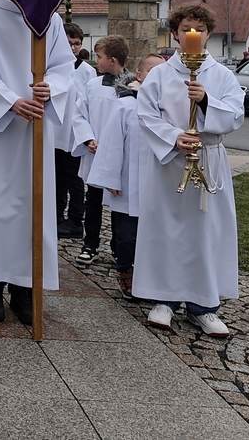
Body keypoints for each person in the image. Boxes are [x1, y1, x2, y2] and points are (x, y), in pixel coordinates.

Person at [0, 0, 76, 325]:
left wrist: (50, 87)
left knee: (32, 208)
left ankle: (25, 287)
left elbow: (63, 66)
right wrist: (11, 102)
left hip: (36, 124)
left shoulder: (49, 19)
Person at [134, 4, 245, 337]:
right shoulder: (160, 75)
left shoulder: (222, 76)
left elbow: (236, 114)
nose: (192, 34)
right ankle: (164, 300)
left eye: (199, 29)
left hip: (208, 158)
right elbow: (146, 115)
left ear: (209, 34)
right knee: (166, 230)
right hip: (170, 162)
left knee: (205, 232)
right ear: (175, 34)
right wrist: (174, 137)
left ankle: (204, 306)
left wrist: (207, 100)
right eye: (185, 29)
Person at [88, 53, 165, 298]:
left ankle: (152, 278)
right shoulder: (126, 105)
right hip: (128, 182)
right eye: (151, 71)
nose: (157, 76)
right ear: (139, 75)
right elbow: (112, 142)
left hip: (159, 183)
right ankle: (126, 271)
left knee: (154, 235)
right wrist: (111, 177)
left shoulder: (169, 107)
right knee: (126, 235)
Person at [70, 35, 132, 267]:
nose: (97, 60)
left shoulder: (132, 86)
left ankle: (119, 247)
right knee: (93, 200)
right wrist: (88, 138)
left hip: (121, 155)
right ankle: (90, 244)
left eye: (100, 56)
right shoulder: (93, 85)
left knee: (119, 203)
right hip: (95, 151)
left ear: (112, 60)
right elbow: (79, 114)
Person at [56, 22, 94, 239]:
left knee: (75, 179)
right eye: (69, 43)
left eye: (77, 44)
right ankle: (56, 216)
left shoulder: (87, 71)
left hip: (75, 135)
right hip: (56, 133)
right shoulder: (53, 67)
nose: (73, 48)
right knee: (57, 178)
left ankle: (75, 221)